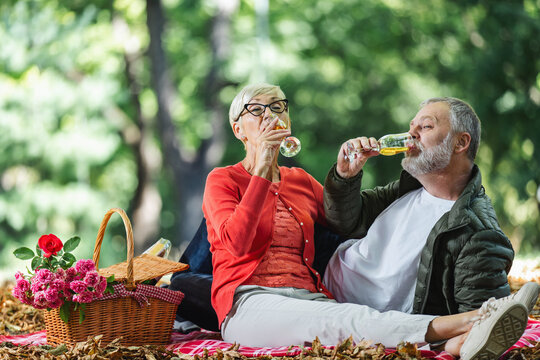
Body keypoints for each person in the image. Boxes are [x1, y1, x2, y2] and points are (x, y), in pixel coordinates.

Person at [202, 84, 533, 359]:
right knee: (347, 319)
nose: (270, 116)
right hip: (247, 301)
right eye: (257, 110)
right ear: (237, 129)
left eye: (277, 106)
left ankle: (454, 344)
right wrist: (264, 167)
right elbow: (238, 244)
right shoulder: (222, 179)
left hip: (310, 297)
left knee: (345, 325)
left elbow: (340, 221)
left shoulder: (299, 180)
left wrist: (343, 176)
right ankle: (471, 321)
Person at [323, 97, 518, 317]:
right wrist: (345, 177)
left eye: (425, 126)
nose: (411, 135)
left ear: (460, 143)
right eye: (411, 127)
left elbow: (482, 320)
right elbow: (344, 222)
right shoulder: (407, 190)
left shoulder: (477, 232)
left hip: (344, 313)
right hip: (321, 264)